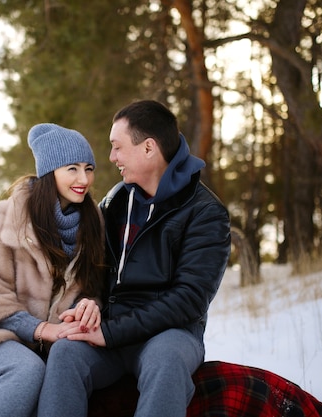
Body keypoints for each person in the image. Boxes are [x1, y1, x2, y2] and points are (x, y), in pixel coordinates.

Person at [38, 99, 231, 417]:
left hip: (171, 335)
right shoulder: (114, 202)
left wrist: (112, 332)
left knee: (166, 358)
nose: (111, 157)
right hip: (112, 332)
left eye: (118, 147)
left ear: (149, 148)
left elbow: (189, 300)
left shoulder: (206, 212)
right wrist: (89, 302)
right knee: (66, 353)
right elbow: (96, 276)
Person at [0, 123, 105, 417]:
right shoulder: (4, 217)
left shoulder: (93, 222)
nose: (84, 178)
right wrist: (42, 329)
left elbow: (95, 288)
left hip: (34, 349)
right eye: (72, 169)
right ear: (50, 171)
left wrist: (89, 307)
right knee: (25, 371)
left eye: (89, 168)